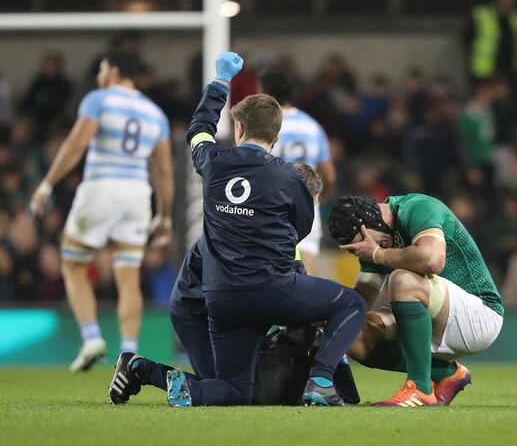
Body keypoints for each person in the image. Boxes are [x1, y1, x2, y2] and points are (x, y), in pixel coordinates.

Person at [111, 52, 364, 407]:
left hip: (222, 300)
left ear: (239, 128)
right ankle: (320, 380)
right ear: (276, 135)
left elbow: (198, 130)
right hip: (273, 290)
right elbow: (301, 230)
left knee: (234, 389)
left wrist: (220, 82)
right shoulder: (291, 179)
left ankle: (152, 371)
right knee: (351, 303)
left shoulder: (212, 162)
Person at [108, 163, 361, 405]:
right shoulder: (263, 228)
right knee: (234, 389)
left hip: (222, 306)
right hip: (197, 309)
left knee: (231, 389)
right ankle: (149, 371)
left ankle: (140, 368)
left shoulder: (267, 223)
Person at [30, 50, 174, 373]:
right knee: (128, 276)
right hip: (137, 193)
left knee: (72, 263)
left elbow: (77, 143)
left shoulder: (99, 99)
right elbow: (164, 169)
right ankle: (129, 355)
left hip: (101, 186)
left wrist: (47, 184)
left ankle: (92, 337)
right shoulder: (155, 113)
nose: (98, 75)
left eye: (101, 69)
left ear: (114, 70)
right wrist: (163, 216)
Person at [329, 194, 504, 406]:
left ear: (369, 223)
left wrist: (378, 254)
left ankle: (420, 388)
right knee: (352, 333)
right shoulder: (378, 240)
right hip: (436, 314)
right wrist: (327, 314)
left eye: (361, 244)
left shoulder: (418, 208)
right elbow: (360, 301)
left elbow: (432, 259)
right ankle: (446, 374)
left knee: (402, 279)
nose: (364, 251)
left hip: (480, 314)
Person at [262, 71, 336, 275]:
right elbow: (329, 175)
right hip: (307, 201)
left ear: (265, 93)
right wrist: (320, 197)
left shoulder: (264, 125)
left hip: (271, 203)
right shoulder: (313, 127)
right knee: (306, 273)